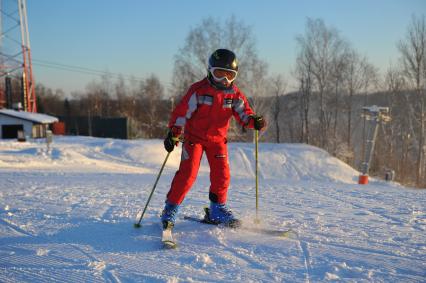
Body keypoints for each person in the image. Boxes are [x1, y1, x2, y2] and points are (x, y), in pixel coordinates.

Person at [161, 49, 266, 229]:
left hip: (218, 141)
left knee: (222, 175)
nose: (224, 80)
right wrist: (173, 132)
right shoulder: (199, 90)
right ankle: (170, 209)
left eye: (229, 75)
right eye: (219, 74)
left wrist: (254, 121)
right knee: (188, 174)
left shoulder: (234, 94)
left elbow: (244, 114)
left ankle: (217, 209)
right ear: (210, 71)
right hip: (195, 139)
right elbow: (182, 112)